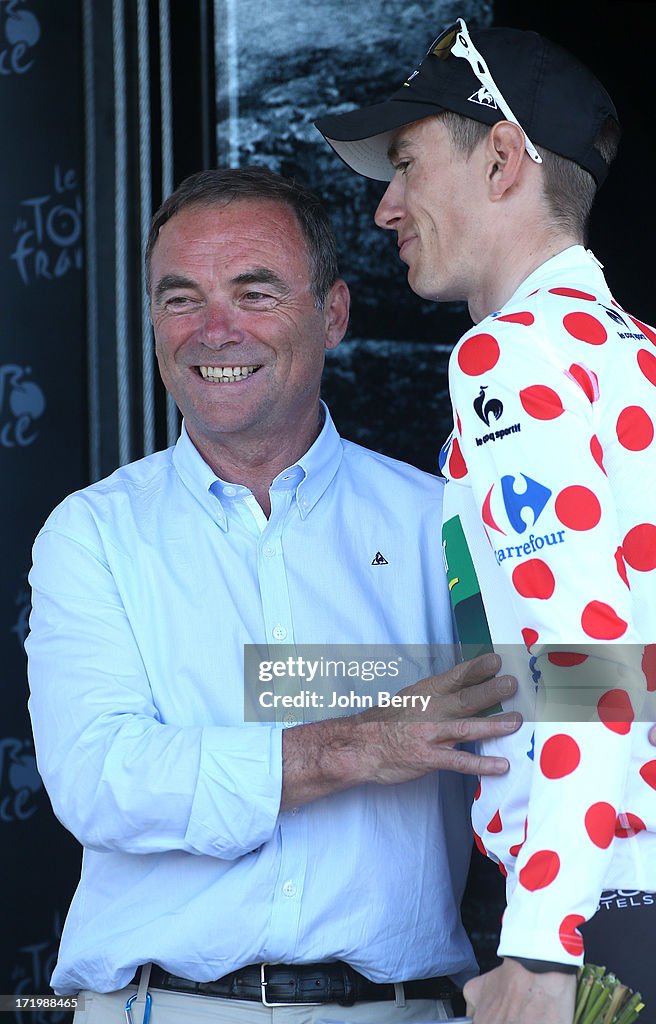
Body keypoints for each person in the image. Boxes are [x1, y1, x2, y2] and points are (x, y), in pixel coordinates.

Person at [26, 167, 523, 1024]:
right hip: (163, 1008)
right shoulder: (93, 533)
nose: (214, 332)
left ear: (332, 315)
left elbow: (563, 694)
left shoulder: (442, 518)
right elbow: (102, 774)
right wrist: (356, 744)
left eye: (254, 293)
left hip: (396, 1010)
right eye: (181, 299)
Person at [315, 17, 656, 1024]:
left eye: (408, 165)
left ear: (500, 157)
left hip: (604, 909)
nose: (383, 208)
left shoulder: (508, 360)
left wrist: (542, 944)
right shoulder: (631, 351)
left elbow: (588, 661)